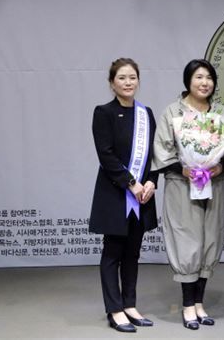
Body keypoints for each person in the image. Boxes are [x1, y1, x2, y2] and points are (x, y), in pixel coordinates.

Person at [152, 59, 224, 330]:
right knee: (188, 242)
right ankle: (187, 306)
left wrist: (218, 165)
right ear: (188, 81)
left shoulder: (221, 113)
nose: (204, 82)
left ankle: (199, 304)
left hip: (215, 185)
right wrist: (186, 170)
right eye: (198, 77)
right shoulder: (172, 112)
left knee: (210, 239)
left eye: (208, 78)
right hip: (181, 185)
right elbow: (162, 151)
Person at [89, 58, 158, 333]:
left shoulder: (146, 113)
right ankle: (115, 309)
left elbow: (153, 155)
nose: (128, 82)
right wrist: (131, 183)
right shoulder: (103, 112)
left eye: (132, 77)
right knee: (112, 253)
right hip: (116, 193)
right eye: (122, 78)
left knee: (133, 252)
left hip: (142, 196)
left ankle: (130, 304)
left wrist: (151, 182)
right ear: (111, 83)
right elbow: (106, 155)